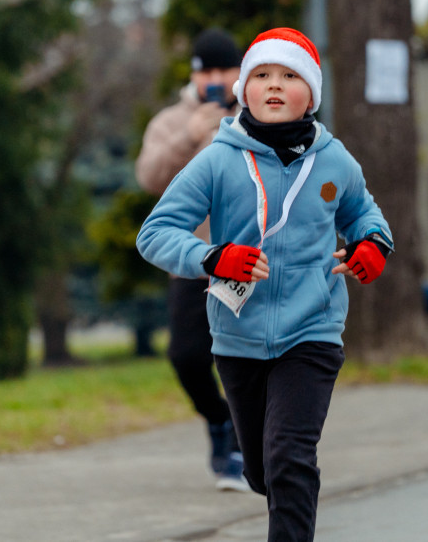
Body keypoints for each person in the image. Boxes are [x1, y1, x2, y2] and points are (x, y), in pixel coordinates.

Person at [137, 27, 393, 541]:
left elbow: (365, 215)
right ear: (245, 90)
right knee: (262, 471)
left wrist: (372, 245)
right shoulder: (218, 159)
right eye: (262, 75)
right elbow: (155, 233)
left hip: (313, 331)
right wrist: (213, 257)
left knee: (289, 458)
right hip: (239, 339)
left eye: (289, 76)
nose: (274, 85)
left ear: (311, 94)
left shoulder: (334, 161)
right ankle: (271, 479)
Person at [135, 28, 248, 491]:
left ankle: (239, 449)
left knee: (242, 358)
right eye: (208, 71)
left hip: (248, 262)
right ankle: (218, 419)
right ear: (194, 75)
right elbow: (148, 177)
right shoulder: (171, 122)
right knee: (186, 357)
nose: (216, 80)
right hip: (193, 261)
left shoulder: (255, 115)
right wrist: (190, 135)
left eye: (225, 70)